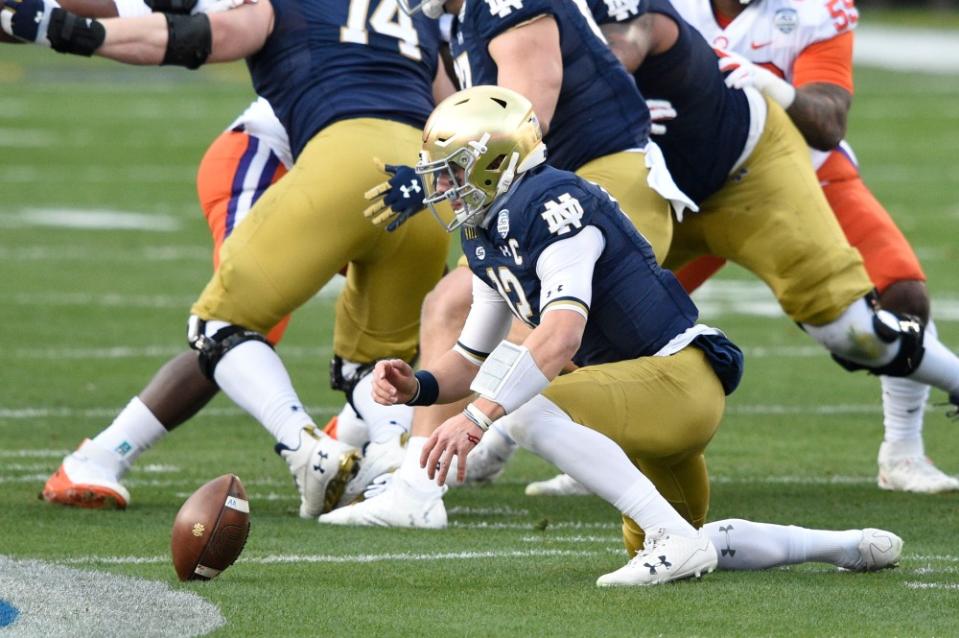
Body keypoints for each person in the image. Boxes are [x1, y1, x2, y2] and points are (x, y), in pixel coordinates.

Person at [364, 85, 903, 585]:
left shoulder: (549, 204)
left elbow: (560, 338)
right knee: (683, 542)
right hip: (641, 398)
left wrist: (479, 419)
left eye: (453, 172)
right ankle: (843, 546)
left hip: (678, 381)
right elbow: (471, 356)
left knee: (524, 407)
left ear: (494, 163)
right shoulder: (487, 236)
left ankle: (670, 535)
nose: (443, 188)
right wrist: (421, 388)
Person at [3, 0, 452, 516]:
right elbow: (463, 113)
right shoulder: (422, 17)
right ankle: (104, 454)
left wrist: (61, 29)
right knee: (320, 337)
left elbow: (186, 35)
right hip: (364, 166)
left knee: (228, 329)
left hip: (335, 155)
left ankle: (336, 453)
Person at [318, 0, 692, 527]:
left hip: (597, 176)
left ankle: (428, 479)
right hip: (547, 182)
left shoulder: (502, 5)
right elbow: (462, 121)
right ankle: (431, 473)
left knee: (518, 320)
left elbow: (522, 119)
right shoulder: (458, 20)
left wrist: (445, 181)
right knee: (465, 309)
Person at [670, 0, 959, 493]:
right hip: (683, 184)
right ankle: (525, 441)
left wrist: (774, 88)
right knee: (592, 307)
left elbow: (828, 122)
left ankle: (904, 451)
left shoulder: (810, 10)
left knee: (902, 297)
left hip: (790, 179)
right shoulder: (657, 8)